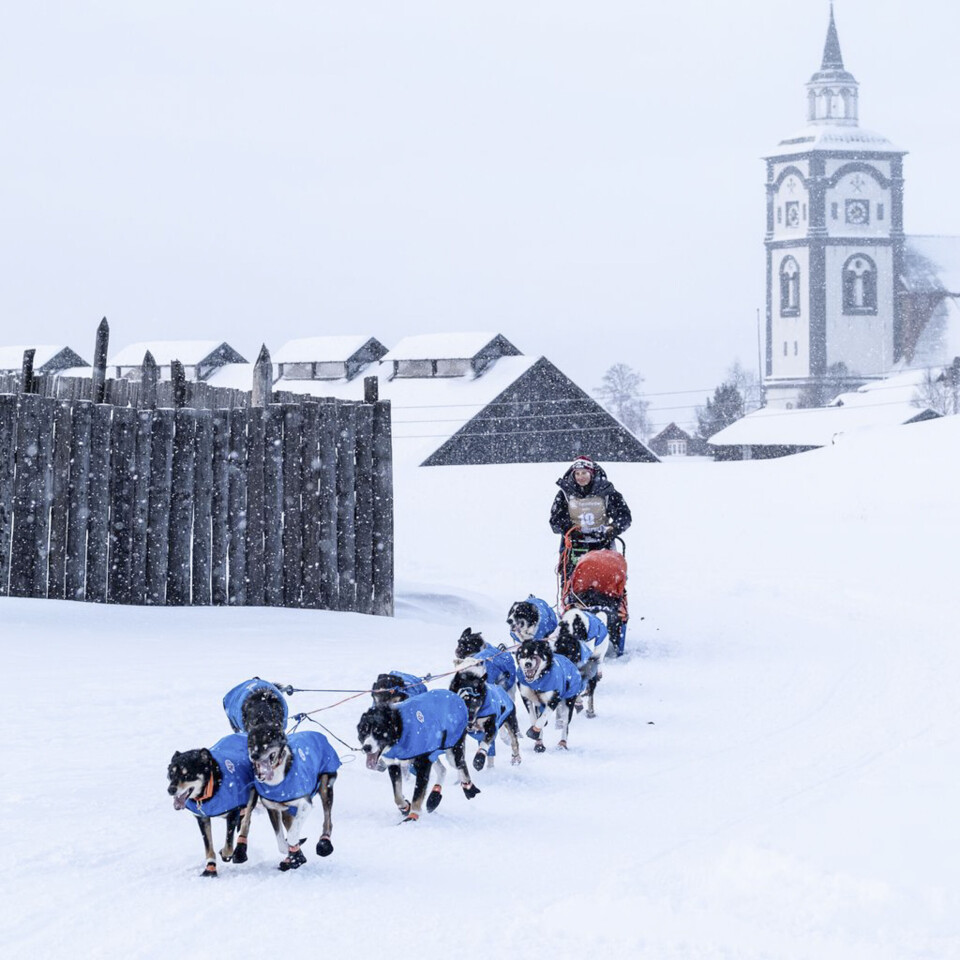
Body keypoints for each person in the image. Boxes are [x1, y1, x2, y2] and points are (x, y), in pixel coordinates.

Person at [549, 456, 631, 558]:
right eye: (577, 473)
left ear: (591, 473)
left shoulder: (607, 492)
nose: (580, 477)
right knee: (572, 573)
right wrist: (568, 529)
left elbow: (624, 515)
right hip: (574, 544)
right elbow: (555, 519)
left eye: (584, 473)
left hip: (603, 543)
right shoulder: (564, 494)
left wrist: (613, 528)